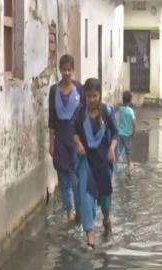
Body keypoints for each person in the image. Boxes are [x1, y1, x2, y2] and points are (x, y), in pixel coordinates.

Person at [74, 78, 118, 249]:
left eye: (95, 96)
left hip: (103, 159)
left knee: (105, 197)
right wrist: (78, 144)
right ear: (84, 95)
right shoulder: (80, 113)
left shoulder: (106, 111)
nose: (92, 99)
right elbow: (74, 132)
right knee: (86, 197)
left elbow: (115, 133)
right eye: (89, 96)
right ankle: (90, 234)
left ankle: (106, 217)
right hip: (86, 160)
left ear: (100, 95)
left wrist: (112, 148)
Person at [48, 54, 83, 223]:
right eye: (64, 69)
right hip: (60, 140)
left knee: (76, 177)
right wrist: (51, 142)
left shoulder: (80, 89)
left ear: (73, 70)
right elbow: (51, 118)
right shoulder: (54, 90)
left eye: (70, 70)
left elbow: (84, 116)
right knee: (63, 177)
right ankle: (69, 211)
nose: (67, 73)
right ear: (60, 70)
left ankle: (79, 210)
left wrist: (84, 141)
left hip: (75, 141)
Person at [117, 91, 136, 168]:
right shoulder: (131, 111)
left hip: (120, 133)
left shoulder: (120, 109)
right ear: (130, 100)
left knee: (118, 150)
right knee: (128, 151)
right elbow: (134, 123)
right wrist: (133, 133)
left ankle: (115, 163)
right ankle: (129, 165)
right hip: (128, 134)